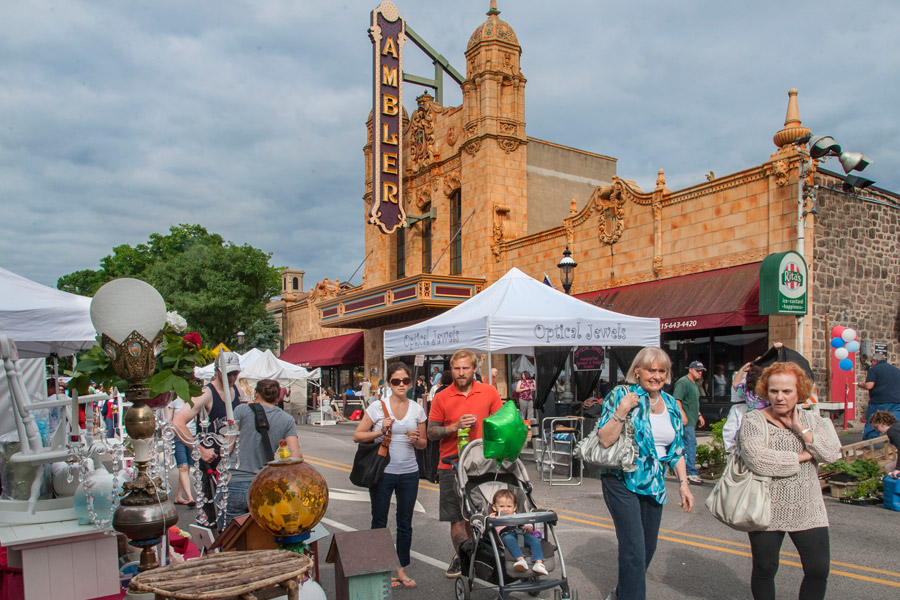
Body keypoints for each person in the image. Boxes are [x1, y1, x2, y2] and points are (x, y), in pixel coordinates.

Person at [595, 347, 694, 600]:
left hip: (654, 483)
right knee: (634, 549)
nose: (657, 376)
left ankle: (621, 594)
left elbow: (677, 450)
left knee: (647, 549)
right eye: (651, 370)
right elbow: (605, 440)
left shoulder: (671, 404)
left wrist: (683, 484)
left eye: (662, 371)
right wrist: (621, 411)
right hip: (621, 480)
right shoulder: (622, 394)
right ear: (637, 371)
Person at [737, 361, 841, 600]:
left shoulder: (813, 421)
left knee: (817, 569)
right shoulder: (754, 420)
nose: (780, 397)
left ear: (799, 392)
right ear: (766, 390)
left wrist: (800, 428)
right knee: (765, 568)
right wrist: (805, 455)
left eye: (787, 391)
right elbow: (759, 460)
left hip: (808, 507)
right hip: (766, 507)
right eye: (774, 391)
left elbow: (831, 452)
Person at [427, 349, 504, 578]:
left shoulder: (488, 392)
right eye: (457, 368)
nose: (461, 373)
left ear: (474, 369)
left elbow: (501, 423)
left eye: (465, 368)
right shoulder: (442, 396)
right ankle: (463, 558)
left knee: (480, 516)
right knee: (457, 518)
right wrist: (454, 427)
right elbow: (430, 432)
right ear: (451, 370)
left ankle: (476, 555)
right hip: (451, 465)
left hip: (483, 464)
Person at [353, 362, 427, 589]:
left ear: (411, 382)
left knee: (405, 523)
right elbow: (357, 436)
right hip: (382, 472)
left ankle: (401, 569)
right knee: (380, 521)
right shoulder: (377, 407)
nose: (401, 385)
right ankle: (380, 570)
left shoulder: (417, 409)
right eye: (396, 381)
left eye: (405, 381)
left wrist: (416, 440)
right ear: (389, 383)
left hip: (409, 473)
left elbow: (424, 444)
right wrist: (380, 430)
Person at [173, 351, 243, 527]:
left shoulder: (238, 390)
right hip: (211, 467)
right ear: (217, 371)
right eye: (228, 374)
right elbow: (177, 423)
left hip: (234, 466)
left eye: (235, 373)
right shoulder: (207, 393)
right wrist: (200, 450)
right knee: (211, 518)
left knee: (235, 519)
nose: (232, 377)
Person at [221, 379, 300, 530]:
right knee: (261, 536)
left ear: (255, 394)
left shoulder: (241, 410)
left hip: (235, 481)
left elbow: (226, 448)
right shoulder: (287, 420)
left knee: (230, 537)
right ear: (278, 398)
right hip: (264, 485)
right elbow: (295, 456)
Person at [489, 489, 547, 576]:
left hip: (521, 534)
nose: (505, 509)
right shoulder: (495, 517)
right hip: (506, 535)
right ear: (494, 507)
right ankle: (521, 560)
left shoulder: (517, 515)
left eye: (509, 506)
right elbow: (488, 525)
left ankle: (538, 563)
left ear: (514, 507)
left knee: (534, 540)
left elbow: (526, 521)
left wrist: (528, 527)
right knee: (510, 540)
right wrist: (490, 519)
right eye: (501, 506)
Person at [673, 361, 706, 485]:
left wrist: (699, 415)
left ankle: (684, 470)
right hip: (686, 420)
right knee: (690, 445)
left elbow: (693, 401)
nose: (700, 373)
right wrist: (682, 414)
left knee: (687, 445)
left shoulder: (695, 384)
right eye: (698, 370)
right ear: (690, 370)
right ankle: (691, 472)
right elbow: (677, 399)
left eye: (701, 370)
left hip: (692, 418)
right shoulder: (683, 382)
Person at [857, 352, 900, 440]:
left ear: (875, 361)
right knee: (895, 423)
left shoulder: (874, 369)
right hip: (896, 401)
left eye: (871, 361)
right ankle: (895, 443)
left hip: (879, 401)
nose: (871, 364)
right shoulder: (895, 369)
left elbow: (869, 385)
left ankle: (869, 445)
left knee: (874, 423)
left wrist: (861, 385)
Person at [168, 396, 196, 507]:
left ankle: (178, 496)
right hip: (178, 435)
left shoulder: (195, 399)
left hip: (191, 435)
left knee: (187, 468)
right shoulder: (174, 399)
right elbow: (169, 418)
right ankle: (190, 497)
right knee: (183, 467)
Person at [869, 410, 900, 477]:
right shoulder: (896, 426)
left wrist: (898, 469)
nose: (877, 430)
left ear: (882, 423)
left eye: (876, 427)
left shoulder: (892, 432)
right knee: (889, 467)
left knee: (889, 469)